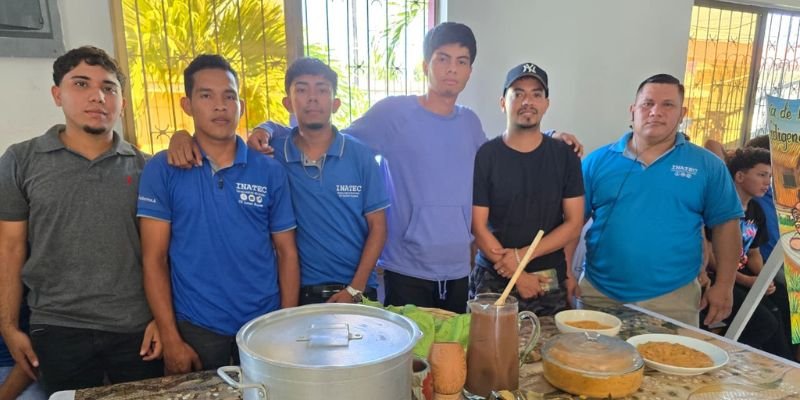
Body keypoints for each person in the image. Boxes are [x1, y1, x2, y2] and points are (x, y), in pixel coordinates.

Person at [167, 22, 583, 313]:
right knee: (408, 367)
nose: (451, 69)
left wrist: (553, 137)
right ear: (426, 65)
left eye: (461, 61)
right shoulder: (392, 113)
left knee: (449, 362)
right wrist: (268, 127)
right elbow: (326, 131)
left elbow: (503, 150)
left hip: (458, 269)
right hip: (404, 268)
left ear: (470, 71)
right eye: (442, 59)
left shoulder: (471, 122)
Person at [0, 46, 162, 395]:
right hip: (58, 326)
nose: (97, 97)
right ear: (57, 94)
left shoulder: (147, 168)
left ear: (122, 102)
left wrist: (162, 321)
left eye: (108, 87)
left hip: (136, 328)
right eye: (81, 84)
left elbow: (162, 253)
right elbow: (10, 249)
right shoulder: (20, 161)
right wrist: (9, 327)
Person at [137, 54, 299, 375]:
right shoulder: (163, 169)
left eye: (229, 96)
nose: (220, 106)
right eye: (206, 96)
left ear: (241, 105)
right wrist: (171, 337)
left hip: (262, 323)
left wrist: (285, 325)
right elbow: (154, 259)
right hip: (196, 327)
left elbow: (287, 252)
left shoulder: (269, 170)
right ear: (187, 105)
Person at [578, 73, 742, 327]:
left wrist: (724, 285)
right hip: (599, 294)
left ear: (682, 113)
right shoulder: (597, 161)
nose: (656, 112)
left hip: (673, 300)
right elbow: (572, 222)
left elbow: (726, 226)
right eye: (647, 104)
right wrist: (566, 275)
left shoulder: (707, 166)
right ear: (633, 110)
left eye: (668, 105)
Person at [265, 58, 389, 305]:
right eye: (302, 90)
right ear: (288, 103)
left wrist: (354, 290)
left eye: (322, 90)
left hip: (358, 291)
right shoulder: (273, 155)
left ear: (335, 104)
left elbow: (378, 227)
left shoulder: (361, 156)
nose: (312, 98)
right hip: (301, 293)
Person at [470, 63, 584, 316]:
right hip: (493, 275)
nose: (527, 101)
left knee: (546, 341)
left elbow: (574, 223)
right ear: (503, 103)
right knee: (487, 341)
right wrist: (517, 273)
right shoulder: (486, 155)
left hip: (546, 278)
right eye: (518, 93)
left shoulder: (565, 155)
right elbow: (478, 226)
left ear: (546, 104)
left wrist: (521, 257)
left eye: (536, 94)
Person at [704, 147, 793, 359]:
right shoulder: (717, 206)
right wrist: (747, 280)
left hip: (744, 276)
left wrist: (763, 279)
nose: (767, 182)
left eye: (769, 177)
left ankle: (786, 363)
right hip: (718, 276)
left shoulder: (756, 211)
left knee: (786, 303)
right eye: (762, 175)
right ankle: (721, 355)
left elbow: (753, 253)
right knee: (765, 321)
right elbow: (712, 257)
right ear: (740, 176)